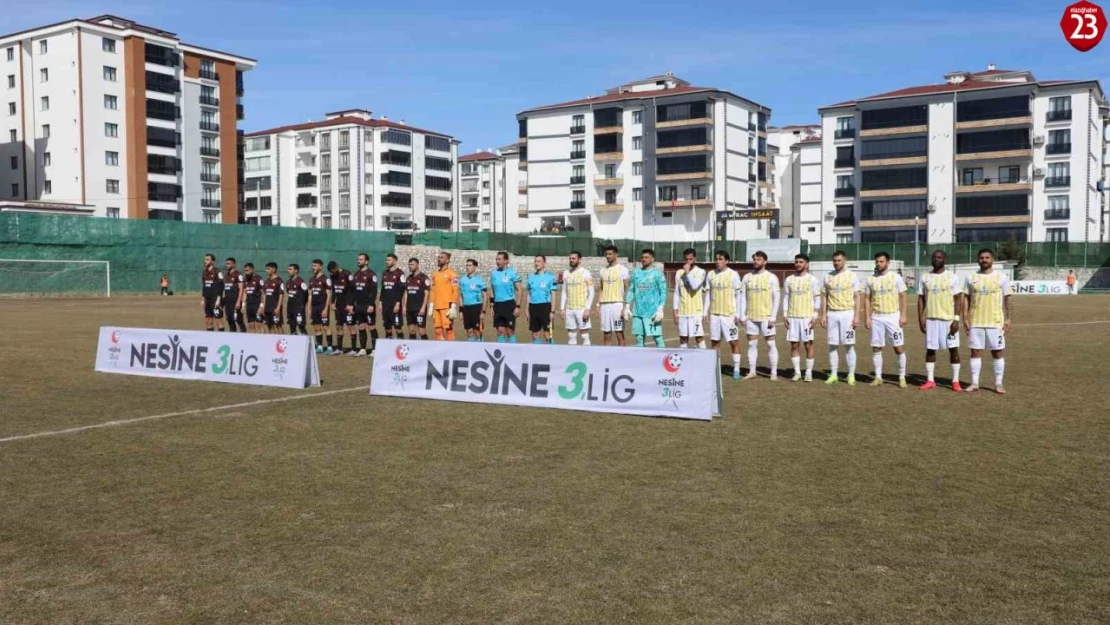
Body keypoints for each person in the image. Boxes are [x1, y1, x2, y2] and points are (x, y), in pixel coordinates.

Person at [964, 248, 1012, 394]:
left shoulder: (1001, 277)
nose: (984, 260)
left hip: (995, 322)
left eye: (987, 258)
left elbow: (1007, 297)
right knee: (975, 352)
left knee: (997, 352)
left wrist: (1009, 318)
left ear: (992, 260)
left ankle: (998, 383)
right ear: (978, 260)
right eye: (981, 258)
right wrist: (965, 317)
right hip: (976, 321)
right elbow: (965, 298)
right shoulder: (970, 277)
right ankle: (974, 383)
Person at [918, 250, 964, 391]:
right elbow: (921, 299)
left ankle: (955, 381)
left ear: (945, 259)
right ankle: (930, 380)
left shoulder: (952, 277)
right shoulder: (925, 277)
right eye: (934, 257)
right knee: (930, 350)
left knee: (953, 349)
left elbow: (958, 299)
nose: (936, 259)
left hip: (948, 320)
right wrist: (921, 317)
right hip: (931, 319)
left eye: (939, 257)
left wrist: (956, 319)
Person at [864, 251, 908, 388]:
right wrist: (867, 317)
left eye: (881, 261)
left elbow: (903, 296)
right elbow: (867, 299)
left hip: (893, 317)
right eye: (877, 261)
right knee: (877, 348)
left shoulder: (895, 278)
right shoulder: (870, 279)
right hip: (877, 317)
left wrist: (903, 314)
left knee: (898, 347)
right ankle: (878, 377)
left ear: (887, 263)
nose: (878, 264)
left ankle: (901, 377)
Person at [739, 251, 781, 380]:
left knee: (770, 345)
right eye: (754, 259)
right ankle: (752, 371)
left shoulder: (771, 277)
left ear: (765, 261)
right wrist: (742, 315)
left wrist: (773, 316)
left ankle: (773, 373)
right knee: (752, 344)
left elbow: (777, 297)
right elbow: (743, 297)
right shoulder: (747, 277)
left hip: (766, 317)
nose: (756, 261)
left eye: (759, 259)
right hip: (751, 317)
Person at [821, 251, 861, 386]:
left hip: (847, 314)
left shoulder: (852, 276)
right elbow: (824, 297)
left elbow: (857, 296)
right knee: (832, 346)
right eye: (834, 260)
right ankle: (833, 374)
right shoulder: (827, 277)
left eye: (839, 260)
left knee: (849, 346)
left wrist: (857, 315)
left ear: (844, 261)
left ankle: (851, 375)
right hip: (832, 314)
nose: (836, 263)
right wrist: (823, 315)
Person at [782, 253, 821, 382]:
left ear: (807, 264)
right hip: (793, 317)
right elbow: (786, 298)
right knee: (794, 345)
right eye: (796, 262)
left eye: (801, 262)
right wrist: (785, 314)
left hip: (806, 318)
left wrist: (815, 316)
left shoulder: (812, 280)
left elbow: (817, 298)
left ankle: (808, 372)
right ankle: (797, 372)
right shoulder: (789, 279)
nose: (798, 264)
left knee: (808, 345)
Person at [706, 251, 744, 380]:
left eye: (720, 259)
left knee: (734, 341)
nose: (718, 261)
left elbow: (739, 295)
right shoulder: (711, 274)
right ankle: (714, 369)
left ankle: (737, 369)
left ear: (726, 261)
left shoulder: (733, 275)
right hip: (715, 314)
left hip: (729, 314)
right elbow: (708, 294)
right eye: (716, 259)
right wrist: (706, 311)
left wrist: (738, 314)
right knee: (715, 342)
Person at [626, 249, 667, 348]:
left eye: (646, 257)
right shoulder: (636, 273)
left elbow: (663, 292)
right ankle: (640, 360)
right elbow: (631, 290)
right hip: (637, 311)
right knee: (639, 338)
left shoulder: (658, 274)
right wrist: (627, 305)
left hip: (652, 312)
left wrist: (660, 308)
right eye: (642, 257)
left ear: (652, 259)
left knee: (657, 338)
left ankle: (662, 359)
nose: (643, 259)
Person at [673, 247, 707, 349]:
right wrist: (675, 311)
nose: (688, 261)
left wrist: (687, 273)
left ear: (695, 259)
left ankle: (704, 360)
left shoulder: (701, 272)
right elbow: (676, 293)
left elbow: (694, 286)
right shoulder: (679, 273)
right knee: (683, 338)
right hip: (682, 311)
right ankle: (685, 361)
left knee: (699, 337)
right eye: (686, 259)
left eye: (691, 259)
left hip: (696, 312)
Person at [597, 244, 630, 346]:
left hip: (617, 305)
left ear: (616, 255)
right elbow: (601, 288)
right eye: (606, 254)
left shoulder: (623, 270)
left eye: (610, 254)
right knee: (606, 334)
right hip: (605, 306)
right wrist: (598, 305)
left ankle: (622, 357)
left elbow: (627, 288)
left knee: (619, 333)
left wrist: (625, 306)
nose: (608, 256)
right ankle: (608, 358)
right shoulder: (602, 271)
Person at [560, 251, 594, 346]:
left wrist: (587, 308)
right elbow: (564, 292)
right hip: (569, 308)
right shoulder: (566, 273)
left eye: (573, 258)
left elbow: (591, 292)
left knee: (584, 335)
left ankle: (587, 356)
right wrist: (562, 308)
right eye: (570, 258)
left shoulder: (585, 272)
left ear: (580, 260)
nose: (571, 260)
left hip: (581, 308)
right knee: (571, 335)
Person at [348, 255, 379, 356]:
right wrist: (351, 304)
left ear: (366, 262)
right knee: (361, 327)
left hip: (368, 305)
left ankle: (375, 349)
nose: (358, 261)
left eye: (361, 259)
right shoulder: (356, 274)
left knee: (371, 327)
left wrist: (371, 304)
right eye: (358, 259)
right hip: (359, 306)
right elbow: (353, 291)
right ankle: (363, 349)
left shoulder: (371, 274)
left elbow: (374, 291)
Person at [489, 251, 522, 343]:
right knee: (500, 331)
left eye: (499, 259)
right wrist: (491, 306)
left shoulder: (512, 273)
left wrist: (518, 306)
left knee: (510, 331)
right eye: (496, 259)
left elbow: (519, 290)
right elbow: (492, 290)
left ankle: (513, 353)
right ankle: (502, 352)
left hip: (509, 304)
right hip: (498, 305)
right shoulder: (494, 273)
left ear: (506, 261)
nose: (497, 261)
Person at [525, 255, 558, 344]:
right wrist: (527, 309)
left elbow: (554, 295)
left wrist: (552, 311)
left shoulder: (551, 277)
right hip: (533, 307)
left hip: (545, 307)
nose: (536, 263)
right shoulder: (530, 277)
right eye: (535, 261)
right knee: (535, 334)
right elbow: (528, 294)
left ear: (544, 263)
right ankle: (537, 355)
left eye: (539, 261)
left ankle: (551, 354)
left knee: (547, 334)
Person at [430, 252, 460, 341]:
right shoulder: (435, 274)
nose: (439, 259)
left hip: (446, 306)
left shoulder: (452, 274)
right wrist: (431, 305)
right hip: (436, 307)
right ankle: (441, 351)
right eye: (438, 257)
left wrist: (453, 306)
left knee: (449, 330)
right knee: (438, 331)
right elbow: (433, 291)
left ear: (447, 260)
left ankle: (451, 351)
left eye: (442, 257)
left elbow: (455, 290)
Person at [307, 259, 334, 354]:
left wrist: (326, 308)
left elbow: (329, 295)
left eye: (315, 266)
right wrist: (309, 308)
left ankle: (330, 348)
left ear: (320, 267)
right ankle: (320, 347)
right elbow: (310, 295)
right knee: (316, 327)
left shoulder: (325, 279)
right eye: (312, 266)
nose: (313, 267)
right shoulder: (311, 279)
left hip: (322, 306)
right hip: (314, 307)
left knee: (326, 327)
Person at [402, 258, 431, 340]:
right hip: (409, 308)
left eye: (412, 264)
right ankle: (413, 350)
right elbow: (406, 293)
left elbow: (426, 294)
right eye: (409, 264)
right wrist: (404, 306)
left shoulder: (423, 278)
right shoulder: (408, 278)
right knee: (411, 330)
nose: (410, 266)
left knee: (421, 331)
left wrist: (423, 307)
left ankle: (426, 350)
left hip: (419, 308)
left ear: (417, 265)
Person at [459, 259, 487, 342]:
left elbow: (485, 296)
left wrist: (483, 311)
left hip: (476, 307)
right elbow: (461, 296)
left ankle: (481, 349)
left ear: (475, 267)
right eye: (466, 265)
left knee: (477, 331)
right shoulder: (463, 280)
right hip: (466, 308)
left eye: (470, 265)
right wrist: (461, 311)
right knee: (469, 331)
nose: (467, 267)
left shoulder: (479, 280)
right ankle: (471, 351)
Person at [379, 254, 406, 340]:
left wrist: (398, 304)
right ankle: (388, 347)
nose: (387, 262)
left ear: (395, 261)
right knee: (387, 328)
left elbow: (401, 290)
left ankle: (400, 349)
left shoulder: (400, 273)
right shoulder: (384, 273)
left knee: (398, 328)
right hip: (386, 305)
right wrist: (380, 302)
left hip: (395, 305)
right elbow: (383, 289)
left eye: (389, 260)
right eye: (386, 260)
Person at [328, 261, 353, 354]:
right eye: (330, 271)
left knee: (350, 325)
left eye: (332, 271)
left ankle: (354, 349)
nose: (331, 273)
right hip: (338, 305)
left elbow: (352, 290)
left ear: (336, 267)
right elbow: (333, 290)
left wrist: (350, 303)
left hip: (347, 304)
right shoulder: (332, 276)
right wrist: (332, 302)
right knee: (339, 325)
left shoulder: (347, 274)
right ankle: (339, 348)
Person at [220, 257, 247, 333]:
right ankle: (233, 338)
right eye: (226, 264)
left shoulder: (238, 275)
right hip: (228, 302)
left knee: (239, 320)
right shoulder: (226, 275)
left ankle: (244, 336)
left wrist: (239, 302)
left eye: (228, 264)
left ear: (234, 265)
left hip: (235, 301)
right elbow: (225, 289)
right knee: (230, 321)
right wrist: (223, 301)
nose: (226, 265)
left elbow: (241, 289)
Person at [284, 263, 308, 335]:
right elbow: (289, 293)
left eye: (290, 269)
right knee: (292, 327)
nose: (288, 271)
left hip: (299, 309)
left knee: (301, 326)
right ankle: (294, 344)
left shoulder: (300, 282)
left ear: (296, 271)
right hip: (290, 308)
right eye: (288, 269)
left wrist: (301, 305)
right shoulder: (288, 282)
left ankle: (306, 343)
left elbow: (306, 294)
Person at [262, 262, 285, 334]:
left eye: (268, 269)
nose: (266, 270)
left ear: (274, 269)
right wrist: (263, 307)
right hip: (267, 308)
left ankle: (281, 342)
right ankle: (272, 342)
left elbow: (281, 295)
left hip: (275, 307)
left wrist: (278, 308)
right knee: (270, 326)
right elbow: (265, 295)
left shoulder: (279, 281)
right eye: (266, 269)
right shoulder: (266, 281)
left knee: (278, 326)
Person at [242, 263, 264, 333]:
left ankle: (262, 341)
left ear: (252, 270)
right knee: (250, 325)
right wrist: (243, 305)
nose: (246, 272)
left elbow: (263, 293)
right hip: (249, 305)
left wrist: (261, 306)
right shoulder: (245, 279)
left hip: (257, 305)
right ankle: (253, 342)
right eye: (245, 270)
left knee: (259, 324)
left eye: (247, 270)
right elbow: (245, 292)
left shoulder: (258, 278)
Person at [201, 254, 221, 331]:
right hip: (207, 299)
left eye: (207, 259)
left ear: (212, 262)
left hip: (215, 299)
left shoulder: (217, 271)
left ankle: (221, 339)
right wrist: (203, 299)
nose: (205, 261)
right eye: (205, 259)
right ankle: (210, 339)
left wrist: (218, 299)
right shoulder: (204, 272)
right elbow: (204, 286)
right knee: (208, 320)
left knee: (218, 320)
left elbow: (221, 286)